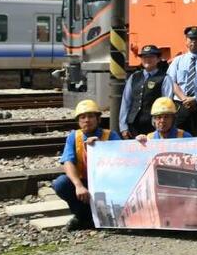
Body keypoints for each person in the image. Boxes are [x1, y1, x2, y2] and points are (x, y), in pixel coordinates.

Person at [53, 99, 120, 231]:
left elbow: (123, 159)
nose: (87, 120)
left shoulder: (111, 135)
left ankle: (107, 217)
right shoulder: (74, 137)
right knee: (60, 183)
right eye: (82, 117)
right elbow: (67, 162)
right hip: (84, 181)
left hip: (107, 182)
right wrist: (78, 185)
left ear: (98, 119)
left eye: (90, 116)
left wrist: (101, 146)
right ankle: (83, 217)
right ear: (78, 121)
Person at [119, 44, 173, 138]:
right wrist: (123, 127)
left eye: (151, 57)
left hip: (154, 125)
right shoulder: (134, 77)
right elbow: (126, 102)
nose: (147, 59)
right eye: (144, 57)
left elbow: (167, 103)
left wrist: (163, 124)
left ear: (158, 59)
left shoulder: (165, 78)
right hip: (134, 125)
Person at [168, 26, 197, 136]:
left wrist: (194, 99)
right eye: (190, 39)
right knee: (178, 136)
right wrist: (184, 99)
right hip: (180, 105)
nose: (193, 42)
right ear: (186, 41)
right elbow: (171, 82)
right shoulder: (178, 60)